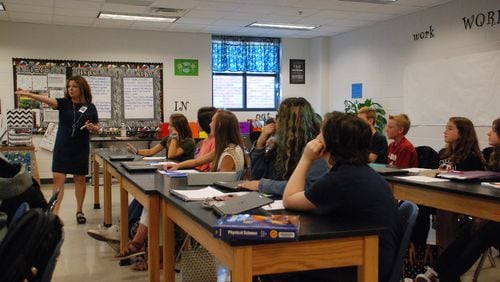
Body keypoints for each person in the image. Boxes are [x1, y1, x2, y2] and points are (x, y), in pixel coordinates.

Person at [282, 112, 400, 282]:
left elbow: (290, 198)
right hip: (374, 259)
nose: (316, 137)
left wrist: (306, 158)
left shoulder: (342, 179)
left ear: (331, 143)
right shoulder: (357, 171)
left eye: (321, 133)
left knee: (282, 269)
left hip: (364, 267)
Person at [415, 118, 500, 282]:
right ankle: (435, 272)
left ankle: (443, 275)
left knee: (481, 231)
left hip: (489, 213)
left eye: (493, 130)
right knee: (469, 231)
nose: (489, 133)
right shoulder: (494, 156)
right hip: (489, 210)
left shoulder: (473, 158)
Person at [15, 76, 100, 223]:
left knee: (80, 179)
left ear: (82, 88)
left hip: (80, 147)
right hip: (63, 146)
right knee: (58, 179)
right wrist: (28, 94)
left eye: (74, 86)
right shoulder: (64, 103)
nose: (70, 89)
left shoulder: (90, 107)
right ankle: (55, 213)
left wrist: (93, 128)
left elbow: (97, 128)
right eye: (69, 86)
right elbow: (46, 99)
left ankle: (79, 210)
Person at [411, 117, 485, 249]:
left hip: (459, 199)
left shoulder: (471, 158)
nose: (445, 131)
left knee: (443, 209)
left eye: (450, 129)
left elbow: (474, 184)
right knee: (418, 203)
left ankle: (444, 251)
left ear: (462, 133)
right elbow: (435, 174)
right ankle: (417, 249)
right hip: (441, 195)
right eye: (446, 128)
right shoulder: (444, 154)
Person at [239, 97, 329, 195]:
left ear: (290, 123)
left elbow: (309, 187)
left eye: (278, 116)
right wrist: (260, 144)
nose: (274, 120)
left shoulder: (314, 148)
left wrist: (264, 185)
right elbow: (258, 178)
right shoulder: (281, 145)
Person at [164, 110, 248, 173]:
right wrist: (178, 165)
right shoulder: (225, 147)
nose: (210, 124)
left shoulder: (229, 154)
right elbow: (197, 161)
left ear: (219, 126)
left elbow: (223, 182)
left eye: (212, 121)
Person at [127, 113, 195, 161]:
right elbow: (151, 152)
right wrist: (137, 151)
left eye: (171, 126)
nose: (168, 128)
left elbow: (171, 155)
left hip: (183, 172)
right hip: (171, 170)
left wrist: (174, 137)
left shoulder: (188, 142)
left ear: (179, 127)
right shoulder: (168, 138)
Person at [194, 106, 217, 171]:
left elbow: (211, 168)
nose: (196, 123)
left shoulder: (215, 141)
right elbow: (197, 162)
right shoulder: (205, 140)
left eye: (198, 120)